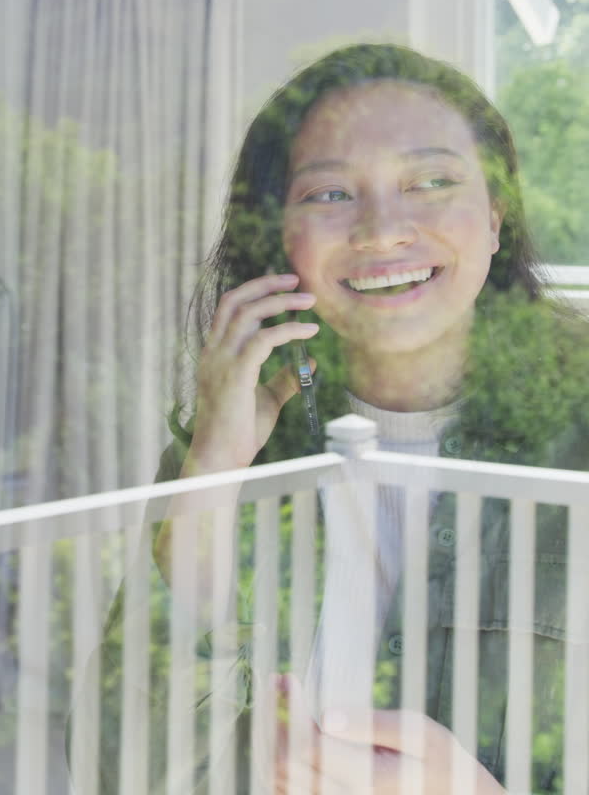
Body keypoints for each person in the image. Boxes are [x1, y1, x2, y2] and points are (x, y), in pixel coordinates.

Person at [70, 43, 589, 794]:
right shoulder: (235, 443)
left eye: (431, 182)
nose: (381, 231)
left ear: (495, 218)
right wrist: (211, 470)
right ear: (282, 238)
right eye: (330, 193)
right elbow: (115, 770)